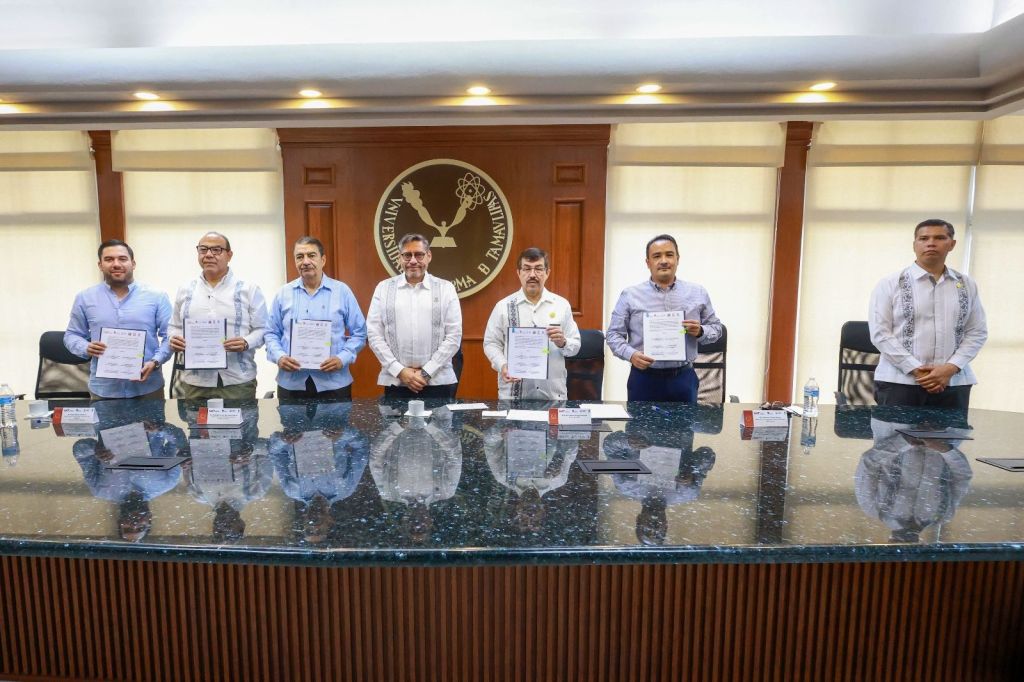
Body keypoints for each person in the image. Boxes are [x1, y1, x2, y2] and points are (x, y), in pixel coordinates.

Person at [869, 219, 988, 410]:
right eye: (924, 238)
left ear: (952, 244)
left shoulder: (967, 285)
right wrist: (916, 370)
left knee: (949, 431)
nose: (931, 243)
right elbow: (880, 334)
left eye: (939, 238)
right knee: (895, 431)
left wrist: (949, 368)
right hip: (899, 382)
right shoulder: (890, 284)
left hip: (953, 382)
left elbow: (977, 332)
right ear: (914, 245)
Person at [606, 234, 723, 403]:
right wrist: (631, 355)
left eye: (669, 255)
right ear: (648, 263)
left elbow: (716, 328)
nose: (663, 261)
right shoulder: (630, 295)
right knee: (640, 422)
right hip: (644, 379)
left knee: (684, 422)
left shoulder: (698, 292)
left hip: (683, 378)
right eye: (656, 256)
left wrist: (701, 331)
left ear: (677, 259)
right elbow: (613, 335)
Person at [64, 239, 172, 400]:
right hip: (104, 390)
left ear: (133, 264)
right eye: (109, 259)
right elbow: (71, 335)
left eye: (122, 259)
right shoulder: (85, 298)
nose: (116, 264)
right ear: (100, 265)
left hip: (148, 388)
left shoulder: (157, 296)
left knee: (152, 419)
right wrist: (86, 347)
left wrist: (156, 361)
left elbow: (170, 336)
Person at [167, 232, 268, 400]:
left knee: (240, 419)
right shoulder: (185, 289)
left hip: (237, 381)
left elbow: (263, 328)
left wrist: (246, 342)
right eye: (203, 249)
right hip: (195, 382)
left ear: (229, 255)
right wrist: (174, 338)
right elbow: (174, 326)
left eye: (216, 250)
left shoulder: (249, 289)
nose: (208, 255)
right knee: (196, 419)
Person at [265, 236, 367, 401]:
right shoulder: (283, 294)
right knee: (291, 421)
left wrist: (342, 358)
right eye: (300, 257)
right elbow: (270, 333)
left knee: (335, 420)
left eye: (311, 255)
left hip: (334, 383)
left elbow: (360, 333)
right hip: (291, 383)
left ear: (323, 260)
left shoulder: (342, 291)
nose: (305, 261)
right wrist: (279, 357)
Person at [366, 233, 462, 399]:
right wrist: (400, 371)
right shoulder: (383, 288)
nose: (412, 260)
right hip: (397, 381)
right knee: (394, 418)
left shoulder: (446, 288)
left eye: (419, 255)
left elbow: (454, 336)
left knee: (439, 418)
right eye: (407, 255)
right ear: (400, 257)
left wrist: (426, 373)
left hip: (437, 382)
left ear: (429, 256)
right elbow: (374, 334)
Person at [482, 247, 581, 401]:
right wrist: (502, 365)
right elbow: (491, 343)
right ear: (518, 273)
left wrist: (563, 342)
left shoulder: (561, 305)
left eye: (539, 269)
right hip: (513, 396)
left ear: (547, 272)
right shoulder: (503, 306)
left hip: (553, 395)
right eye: (527, 269)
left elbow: (575, 345)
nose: (532, 274)